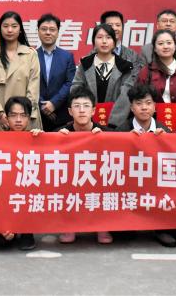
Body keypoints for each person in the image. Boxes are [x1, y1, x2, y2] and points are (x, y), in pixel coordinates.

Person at [116, 83, 176, 246]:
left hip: (156, 183)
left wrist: (165, 143)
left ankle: (161, 228)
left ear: (155, 107)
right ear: (131, 107)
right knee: (122, 236)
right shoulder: (121, 131)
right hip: (130, 183)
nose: (144, 107)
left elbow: (175, 162)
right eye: (139, 103)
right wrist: (125, 142)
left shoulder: (164, 131)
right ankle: (130, 222)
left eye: (148, 103)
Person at [56, 86, 112, 246]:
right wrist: (45, 136)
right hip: (71, 182)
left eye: (86, 106)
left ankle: (102, 226)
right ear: (70, 111)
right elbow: (42, 149)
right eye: (77, 106)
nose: (81, 110)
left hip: (97, 181)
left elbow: (126, 146)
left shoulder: (106, 133)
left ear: (93, 111)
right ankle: (69, 226)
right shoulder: (60, 133)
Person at [0, 96, 42, 251]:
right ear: (6, 117)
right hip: (3, 201)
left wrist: (43, 140)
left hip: (27, 198)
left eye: (23, 115)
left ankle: (26, 231)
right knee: (2, 242)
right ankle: (6, 229)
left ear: (29, 117)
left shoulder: (36, 138)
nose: (18, 120)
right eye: (13, 115)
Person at [0, 11, 40, 131]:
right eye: (5, 26)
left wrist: (22, 115)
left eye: (14, 26)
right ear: (0, 29)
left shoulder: (30, 54)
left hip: (26, 116)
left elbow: (33, 89)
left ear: (20, 29)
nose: (9, 30)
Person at [72, 23, 136, 128]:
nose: (104, 41)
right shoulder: (85, 64)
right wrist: (86, 117)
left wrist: (113, 122)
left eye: (108, 37)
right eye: (100, 37)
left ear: (114, 42)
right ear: (93, 41)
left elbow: (125, 95)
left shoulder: (125, 67)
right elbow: (75, 89)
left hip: (116, 126)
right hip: (87, 124)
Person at [137, 29, 176, 134]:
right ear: (155, 49)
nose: (165, 46)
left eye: (169, 43)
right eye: (160, 43)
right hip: (153, 130)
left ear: (175, 46)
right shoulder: (146, 72)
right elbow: (139, 101)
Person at [36, 13, 76, 131]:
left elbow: (70, 83)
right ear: (38, 31)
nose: (48, 32)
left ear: (58, 32)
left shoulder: (67, 56)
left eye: (52, 29)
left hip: (61, 115)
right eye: (44, 29)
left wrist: (54, 103)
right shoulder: (31, 55)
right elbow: (28, 83)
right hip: (37, 114)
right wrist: (42, 105)